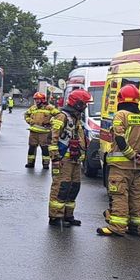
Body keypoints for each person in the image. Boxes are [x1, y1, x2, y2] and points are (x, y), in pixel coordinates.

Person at [97, 85, 140, 237]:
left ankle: (117, 227)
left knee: (120, 195)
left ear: (120, 99)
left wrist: (130, 154)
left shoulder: (121, 115)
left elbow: (119, 137)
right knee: (136, 197)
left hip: (120, 166)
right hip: (139, 167)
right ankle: (135, 227)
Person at [48, 90, 92, 226]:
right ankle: (55, 216)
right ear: (77, 103)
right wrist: (55, 159)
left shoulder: (76, 118)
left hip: (75, 160)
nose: (85, 106)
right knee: (61, 187)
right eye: (84, 103)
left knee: (74, 187)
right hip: (63, 160)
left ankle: (68, 215)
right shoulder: (62, 117)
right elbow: (52, 138)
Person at [24, 92, 57, 169]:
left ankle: (46, 164)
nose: (37, 101)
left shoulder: (49, 108)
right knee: (32, 148)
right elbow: (26, 115)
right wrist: (30, 121)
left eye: (38, 99)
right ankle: (30, 163)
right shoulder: (33, 108)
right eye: (36, 99)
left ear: (43, 100)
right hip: (33, 132)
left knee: (45, 149)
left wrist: (51, 121)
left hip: (44, 133)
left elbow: (58, 115)